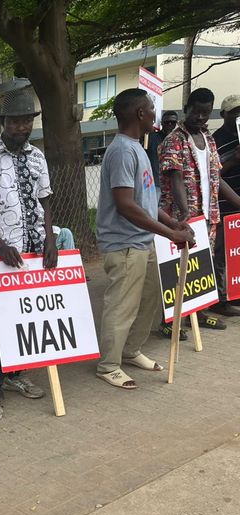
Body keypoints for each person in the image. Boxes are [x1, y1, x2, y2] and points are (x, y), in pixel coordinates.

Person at [0, 89, 57, 422]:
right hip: (2, 254)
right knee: (5, 319)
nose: (22, 127)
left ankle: (15, 374)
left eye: (27, 121)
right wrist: (0, 244)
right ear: (3, 122)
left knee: (28, 316)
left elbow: (45, 201)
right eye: (16, 121)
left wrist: (50, 238)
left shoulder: (37, 156)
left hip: (35, 251)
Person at [95, 89, 195, 389]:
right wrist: (171, 234)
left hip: (142, 241)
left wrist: (172, 223)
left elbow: (146, 200)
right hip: (124, 245)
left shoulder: (137, 147)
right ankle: (108, 365)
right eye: (152, 108)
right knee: (122, 306)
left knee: (149, 300)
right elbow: (125, 205)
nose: (156, 113)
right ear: (140, 114)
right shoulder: (123, 150)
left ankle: (129, 351)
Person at [159, 88, 240, 324]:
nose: (201, 118)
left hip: (208, 214)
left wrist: (237, 201)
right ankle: (170, 321)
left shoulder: (208, 139)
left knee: (201, 266)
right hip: (183, 216)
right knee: (177, 267)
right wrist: (184, 213)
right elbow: (175, 177)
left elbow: (217, 176)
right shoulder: (174, 140)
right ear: (187, 110)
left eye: (206, 113)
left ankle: (198, 314)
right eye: (197, 112)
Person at [212, 94, 240, 311]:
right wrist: (234, 159)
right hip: (225, 203)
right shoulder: (216, 139)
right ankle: (220, 299)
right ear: (223, 114)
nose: (239, 115)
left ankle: (235, 292)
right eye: (234, 111)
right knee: (222, 251)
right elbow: (214, 173)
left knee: (237, 251)